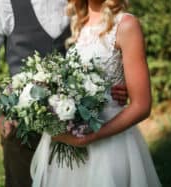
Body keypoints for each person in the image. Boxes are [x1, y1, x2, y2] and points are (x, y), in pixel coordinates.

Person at [0, 0, 128, 186]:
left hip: (75, 129)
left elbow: (102, 41)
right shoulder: (1, 3)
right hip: (24, 132)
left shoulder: (79, 2)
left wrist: (112, 86)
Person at [30, 0, 161, 186]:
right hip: (71, 148)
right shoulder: (78, 24)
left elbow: (142, 105)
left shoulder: (126, 25)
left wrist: (90, 138)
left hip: (109, 145)